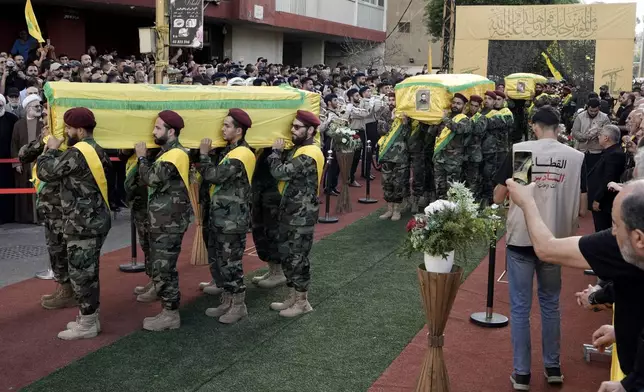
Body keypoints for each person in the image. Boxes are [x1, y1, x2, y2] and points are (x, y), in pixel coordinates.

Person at [505, 177, 644, 392]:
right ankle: (551, 366)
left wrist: (527, 203)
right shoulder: (629, 244)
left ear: (639, 239)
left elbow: (546, 248)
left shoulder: (617, 244)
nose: (612, 231)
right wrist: (624, 331)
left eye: (616, 224)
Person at [493, 106, 587, 390]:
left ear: (535, 126)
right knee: (550, 304)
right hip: (556, 239)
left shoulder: (523, 151)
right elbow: (582, 208)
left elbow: (503, 197)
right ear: (558, 128)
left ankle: (522, 373)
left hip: (523, 237)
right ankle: (553, 366)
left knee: (520, 308)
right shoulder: (575, 157)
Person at [37, 107, 112, 340]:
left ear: (80, 130)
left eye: (69, 128)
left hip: (82, 223)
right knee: (87, 272)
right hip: (91, 220)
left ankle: (88, 323)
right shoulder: (96, 149)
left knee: (82, 275)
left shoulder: (78, 153)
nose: (66, 132)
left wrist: (49, 149)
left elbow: (44, 171)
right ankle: (89, 318)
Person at [135, 110, 192, 331]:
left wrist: (141, 157)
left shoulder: (174, 155)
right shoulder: (166, 152)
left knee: (165, 267)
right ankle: (167, 308)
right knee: (161, 265)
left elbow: (150, 178)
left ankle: (170, 313)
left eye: (158, 128)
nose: (153, 131)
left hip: (168, 221)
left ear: (172, 131)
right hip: (163, 219)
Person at [198, 109, 256, 324]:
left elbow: (214, 175)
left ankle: (239, 305)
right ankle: (228, 300)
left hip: (232, 220)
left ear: (239, 130)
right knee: (222, 261)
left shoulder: (240, 155)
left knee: (231, 263)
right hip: (221, 216)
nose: (222, 129)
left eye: (227, 126)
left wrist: (203, 154)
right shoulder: (229, 151)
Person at [267, 110, 324, 317]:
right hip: (291, 211)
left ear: (310, 130)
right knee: (287, 255)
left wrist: (274, 154)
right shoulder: (300, 149)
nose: (292, 130)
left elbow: (280, 172)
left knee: (297, 257)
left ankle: (302, 301)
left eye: (297, 127)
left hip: (302, 215)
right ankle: (292, 297)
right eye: (292, 126)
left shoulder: (308, 153)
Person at [18, 107, 72, 310]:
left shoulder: (71, 144)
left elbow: (51, 170)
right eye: (45, 121)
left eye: (49, 121)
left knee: (65, 249)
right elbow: (23, 155)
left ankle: (71, 290)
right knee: (55, 248)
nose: (46, 124)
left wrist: (53, 147)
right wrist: (43, 140)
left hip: (65, 206)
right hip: (49, 206)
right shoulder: (46, 140)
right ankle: (64, 287)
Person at [431, 93, 471, 199]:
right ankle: (440, 211)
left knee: (452, 190)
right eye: (453, 103)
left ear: (463, 106)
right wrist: (435, 121)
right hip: (440, 158)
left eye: (458, 103)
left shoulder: (464, 119)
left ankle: (451, 213)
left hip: (453, 161)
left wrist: (445, 120)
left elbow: (460, 129)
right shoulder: (445, 117)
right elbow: (432, 132)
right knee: (439, 187)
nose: (455, 105)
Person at [11, 94, 43, 223]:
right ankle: (27, 218)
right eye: (36, 106)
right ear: (28, 108)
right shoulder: (18, 124)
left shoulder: (43, 124)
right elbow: (14, 144)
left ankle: (40, 217)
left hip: (39, 163)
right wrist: (16, 163)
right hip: (24, 164)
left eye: (40, 106)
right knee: (25, 190)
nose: (39, 108)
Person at [587, 125, 626, 231]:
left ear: (606, 138)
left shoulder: (615, 154)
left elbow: (608, 179)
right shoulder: (611, 152)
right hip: (603, 200)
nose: (598, 137)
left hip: (605, 202)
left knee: (602, 229)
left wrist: (598, 199)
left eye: (600, 135)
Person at [377, 106, 410, 221]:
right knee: (387, 183)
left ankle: (397, 210)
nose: (392, 102)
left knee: (399, 184)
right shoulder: (384, 114)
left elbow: (408, 137)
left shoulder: (405, 114)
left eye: (394, 100)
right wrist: (391, 119)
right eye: (390, 100)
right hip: (387, 155)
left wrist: (405, 123)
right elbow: (381, 131)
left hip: (401, 156)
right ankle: (389, 209)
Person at [0, 95, 18, 224]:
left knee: (6, 188)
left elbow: (15, 141)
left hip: (7, 161)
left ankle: (6, 216)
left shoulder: (11, 118)